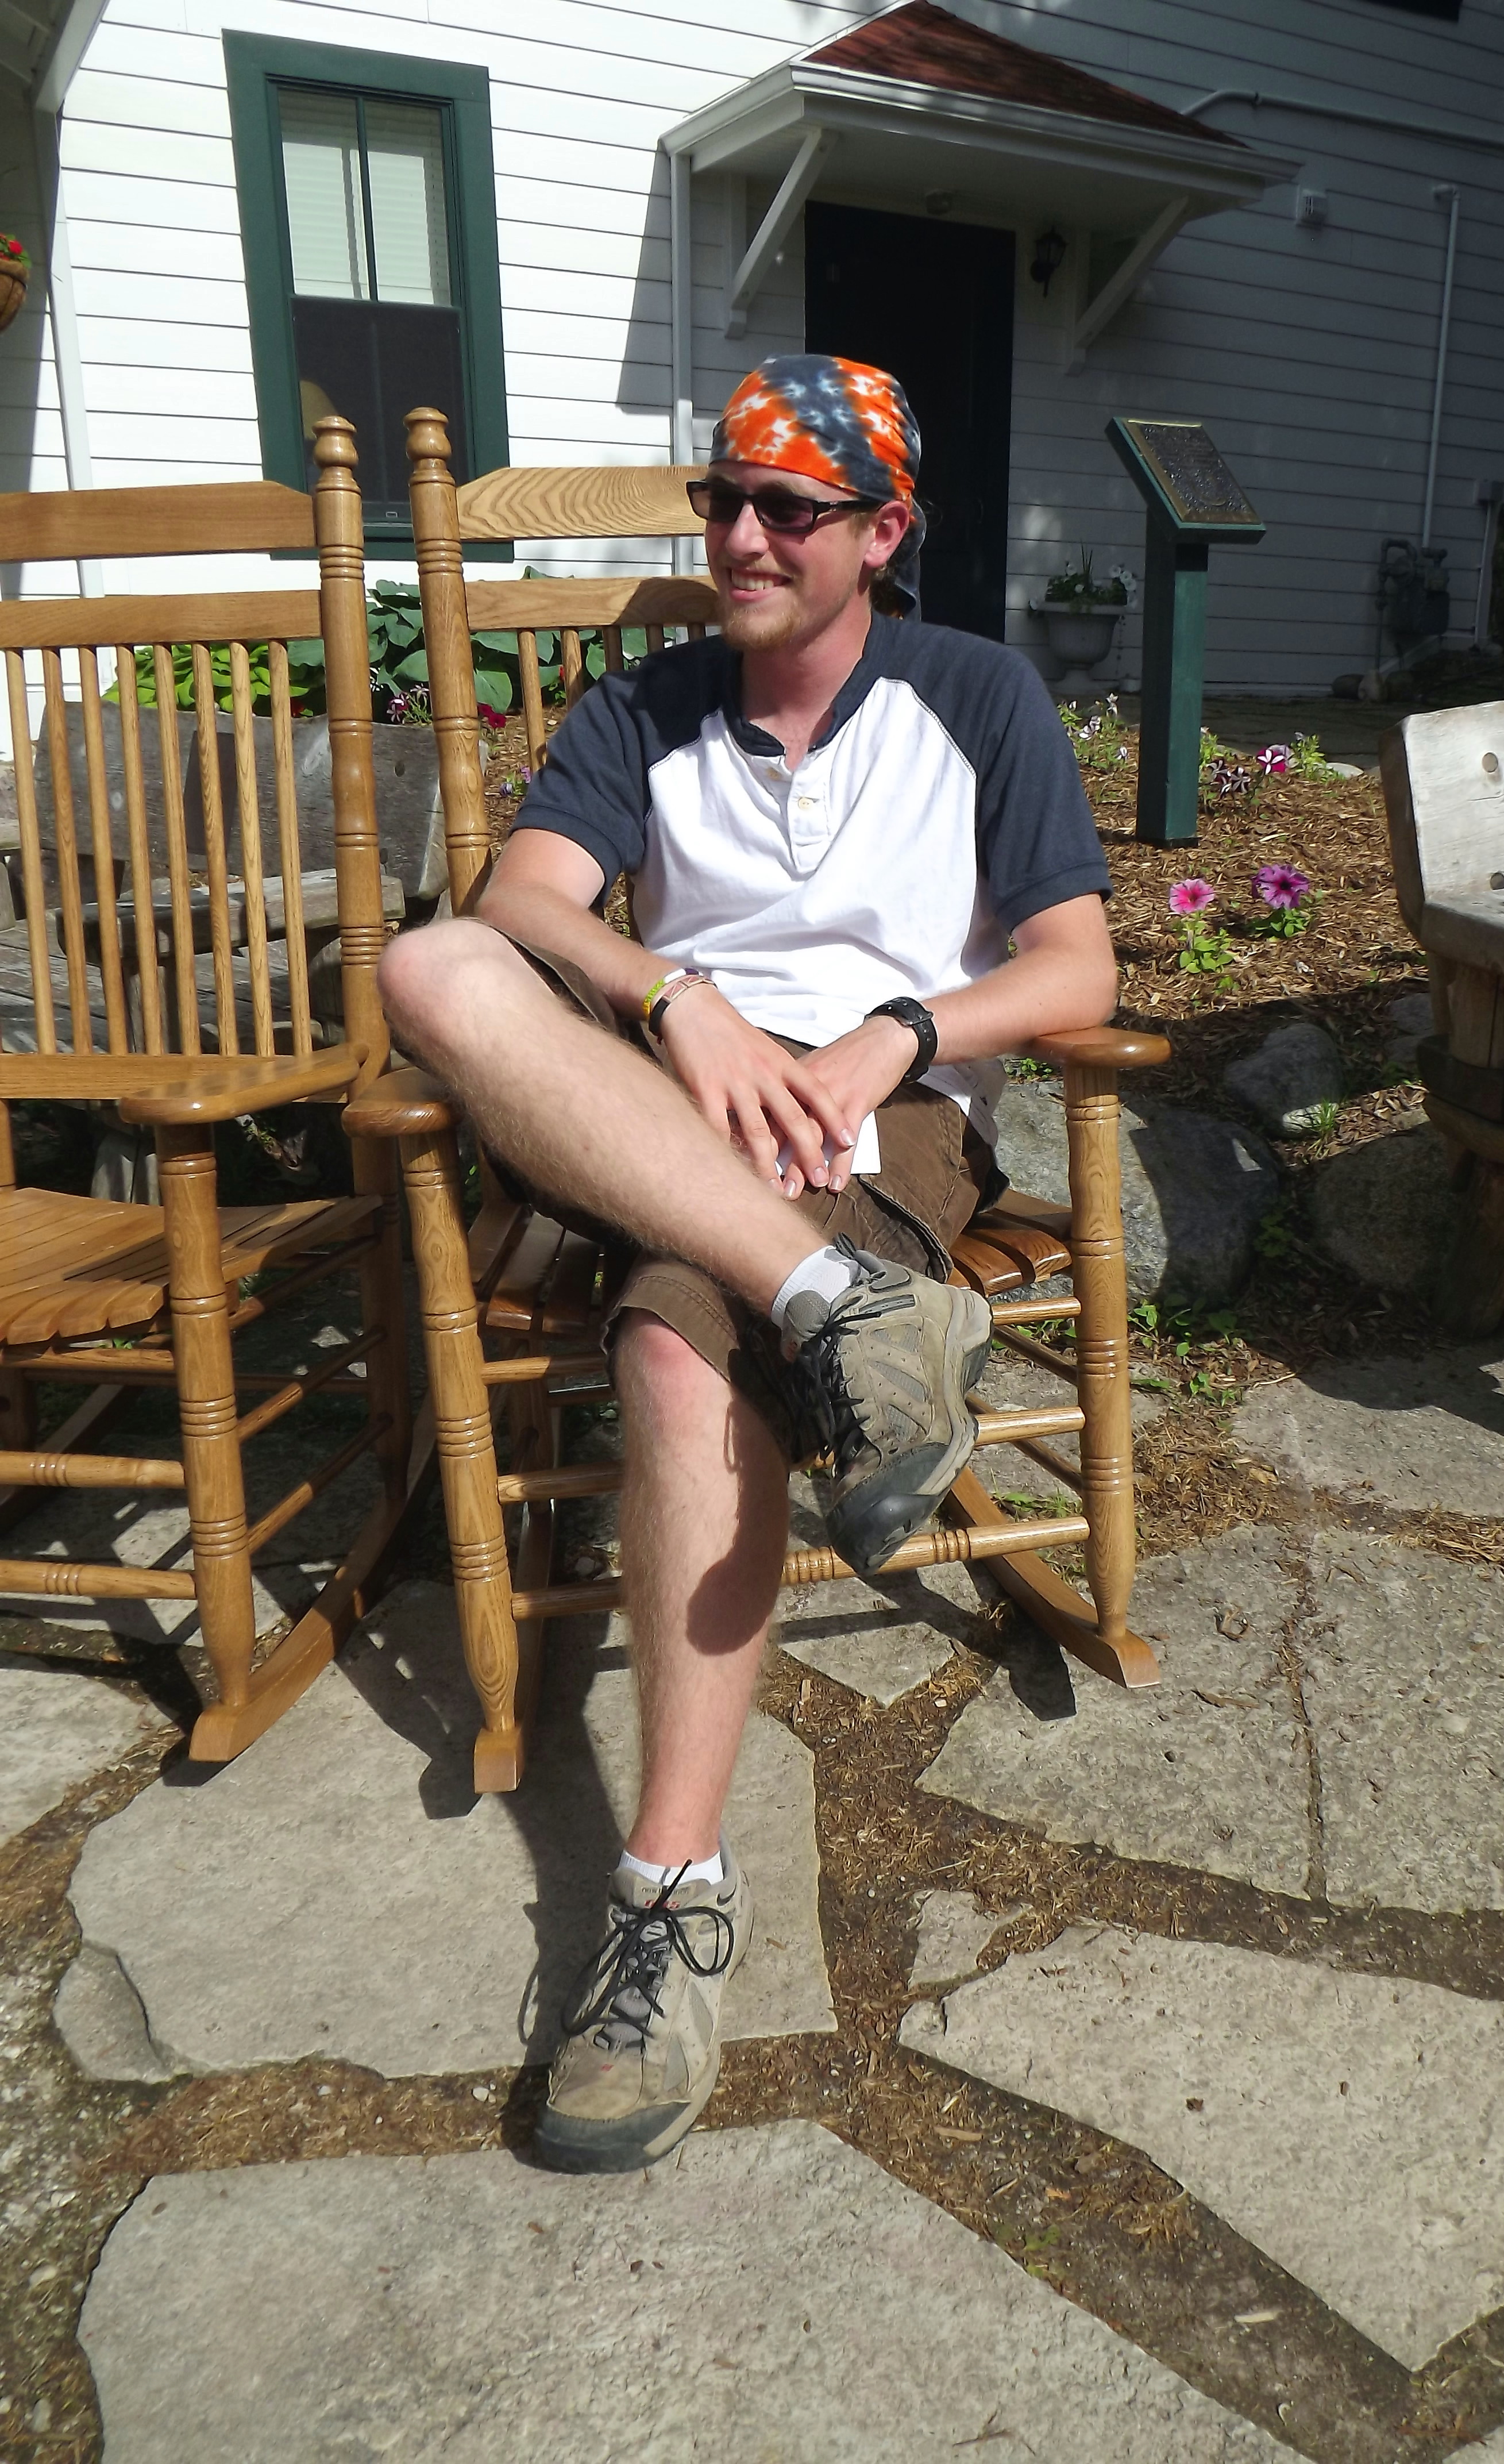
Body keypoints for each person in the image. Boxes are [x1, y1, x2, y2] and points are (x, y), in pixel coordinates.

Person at [378, 353, 1117, 2173]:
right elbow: (521, 905)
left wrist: (893, 1033)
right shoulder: (648, 705)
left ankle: (669, 1895)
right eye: (724, 498)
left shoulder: (977, 694)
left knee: (668, 1348)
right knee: (432, 965)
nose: (741, 537)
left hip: (877, 1120)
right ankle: (846, 1314)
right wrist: (676, 999)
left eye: (790, 508)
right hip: (663, 1100)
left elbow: (1077, 968)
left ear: (884, 529)